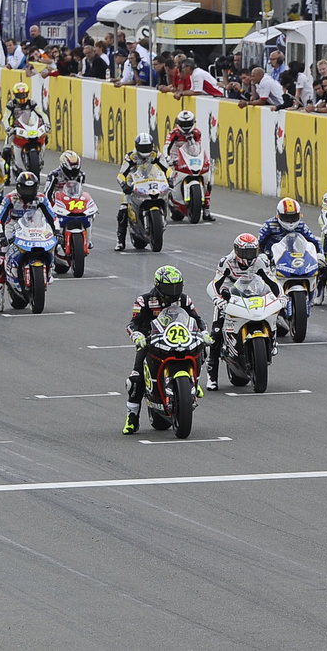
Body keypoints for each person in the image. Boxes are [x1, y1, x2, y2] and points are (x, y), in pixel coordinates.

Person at [122, 266, 210, 434]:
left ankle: (194, 381)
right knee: (135, 379)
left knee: (202, 347)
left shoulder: (184, 300)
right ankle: (132, 418)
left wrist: (204, 333)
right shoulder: (144, 300)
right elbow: (132, 324)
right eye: (170, 288)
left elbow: (198, 320)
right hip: (151, 343)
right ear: (158, 285)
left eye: (177, 287)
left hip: (181, 339)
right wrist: (138, 336)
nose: (174, 292)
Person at [206, 234, 280, 390]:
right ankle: (212, 378)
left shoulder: (261, 261)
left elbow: (272, 281)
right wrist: (217, 299)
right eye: (246, 253)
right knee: (215, 334)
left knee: (272, 314)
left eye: (252, 252)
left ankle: (271, 342)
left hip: (253, 296)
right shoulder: (226, 262)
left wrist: (281, 296)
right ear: (236, 250)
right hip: (228, 299)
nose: (249, 257)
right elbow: (213, 284)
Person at [0, 172, 56, 312]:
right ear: (19, 187)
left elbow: (52, 217)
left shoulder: (41, 198)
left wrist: (56, 231)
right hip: (12, 227)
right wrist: (1, 235)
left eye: (31, 189)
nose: (28, 192)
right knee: (0, 262)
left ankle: (50, 269)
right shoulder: (10, 198)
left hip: (33, 226)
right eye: (25, 189)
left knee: (51, 243)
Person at [115, 133, 170, 252]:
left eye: (147, 147)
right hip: (133, 183)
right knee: (123, 209)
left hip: (151, 181)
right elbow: (121, 174)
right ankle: (120, 241)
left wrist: (170, 178)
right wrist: (124, 185)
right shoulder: (131, 157)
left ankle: (162, 220)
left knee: (165, 195)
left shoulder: (156, 154)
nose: (145, 150)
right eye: (142, 147)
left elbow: (167, 169)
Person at [163, 111, 213, 221]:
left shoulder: (196, 133)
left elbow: (198, 148)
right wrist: (167, 158)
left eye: (188, 123)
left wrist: (203, 158)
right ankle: (162, 209)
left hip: (190, 158)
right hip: (176, 158)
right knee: (166, 179)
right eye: (183, 124)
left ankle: (206, 210)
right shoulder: (173, 133)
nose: (186, 127)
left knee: (208, 182)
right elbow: (166, 147)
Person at [1, 81, 50, 175]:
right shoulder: (11, 104)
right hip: (14, 129)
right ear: (15, 95)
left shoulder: (31, 103)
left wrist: (47, 123)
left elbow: (42, 114)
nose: (22, 97)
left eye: (23, 94)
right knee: (6, 150)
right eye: (19, 95)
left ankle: (39, 158)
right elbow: (5, 118)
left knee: (44, 137)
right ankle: (6, 174)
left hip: (29, 128)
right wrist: (8, 128)